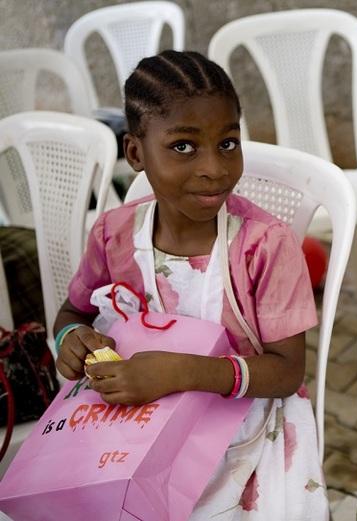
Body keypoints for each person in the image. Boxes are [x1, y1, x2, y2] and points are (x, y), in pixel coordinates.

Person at [52, 51, 328, 520]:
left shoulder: (264, 245)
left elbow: (286, 373)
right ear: (136, 153)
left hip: (244, 427)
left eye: (227, 143)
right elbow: (72, 313)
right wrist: (71, 339)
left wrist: (180, 373)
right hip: (133, 427)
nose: (214, 169)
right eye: (183, 146)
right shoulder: (114, 234)